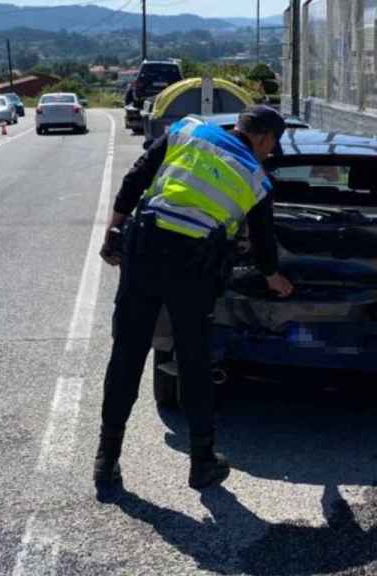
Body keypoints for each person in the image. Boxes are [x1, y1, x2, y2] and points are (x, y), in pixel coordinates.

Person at [94, 105, 295, 495]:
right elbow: (262, 244)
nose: (269, 155)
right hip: (192, 271)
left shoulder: (188, 131)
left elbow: (136, 178)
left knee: (127, 356)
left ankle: (106, 460)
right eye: (271, 148)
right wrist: (276, 279)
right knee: (194, 362)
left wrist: (113, 230)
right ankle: (202, 463)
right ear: (265, 139)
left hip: (144, 252)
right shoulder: (256, 178)